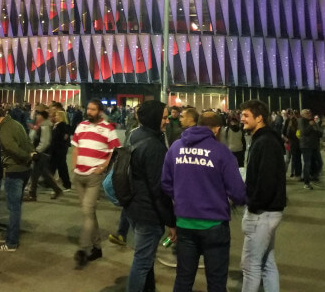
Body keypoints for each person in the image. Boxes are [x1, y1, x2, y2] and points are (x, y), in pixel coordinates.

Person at [162, 110, 246, 291]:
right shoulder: (222, 152)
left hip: (185, 223)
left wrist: (184, 197)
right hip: (214, 224)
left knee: (183, 279)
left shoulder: (176, 148)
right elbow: (238, 193)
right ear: (216, 129)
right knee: (216, 282)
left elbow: (166, 183)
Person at [125, 101, 175, 292]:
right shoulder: (154, 147)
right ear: (154, 118)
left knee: (145, 258)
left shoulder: (134, 135)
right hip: (148, 212)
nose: (167, 121)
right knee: (142, 262)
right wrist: (171, 221)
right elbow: (159, 190)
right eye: (163, 117)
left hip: (133, 206)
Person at [240, 99, 287, 292]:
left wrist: (253, 204)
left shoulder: (265, 141)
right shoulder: (265, 139)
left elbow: (266, 180)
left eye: (246, 115)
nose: (241, 118)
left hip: (262, 212)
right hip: (268, 211)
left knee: (250, 265)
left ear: (259, 118)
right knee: (267, 264)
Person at [71, 99, 121, 268]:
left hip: (93, 177)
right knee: (89, 213)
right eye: (88, 108)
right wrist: (74, 166)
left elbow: (114, 152)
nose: (89, 111)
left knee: (87, 211)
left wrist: (103, 168)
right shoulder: (81, 125)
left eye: (93, 109)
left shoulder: (108, 128)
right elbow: (75, 146)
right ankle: (97, 247)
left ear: (100, 111)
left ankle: (83, 250)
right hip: (79, 176)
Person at [0, 106, 35, 252]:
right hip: (25, 170)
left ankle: (11, 242)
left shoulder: (5, 129)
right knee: (16, 206)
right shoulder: (16, 124)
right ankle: (11, 235)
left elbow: (10, 147)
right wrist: (31, 155)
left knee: (13, 208)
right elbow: (27, 142)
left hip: (14, 170)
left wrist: (26, 156)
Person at [25, 109, 63, 201]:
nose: (36, 117)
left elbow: (44, 142)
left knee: (35, 173)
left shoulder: (45, 127)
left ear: (42, 117)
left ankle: (32, 194)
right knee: (43, 173)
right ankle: (57, 189)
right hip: (42, 153)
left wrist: (36, 151)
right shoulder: (42, 126)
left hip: (41, 154)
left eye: (38, 115)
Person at [49, 109, 73, 191]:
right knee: (56, 168)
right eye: (55, 115)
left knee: (61, 168)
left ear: (62, 117)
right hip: (56, 150)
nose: (55, 117)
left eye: (57, 115)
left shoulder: (62, 126)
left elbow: (62, 139)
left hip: (59, 151)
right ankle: (54, 184)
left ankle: (66, 185)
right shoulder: (55, 125)